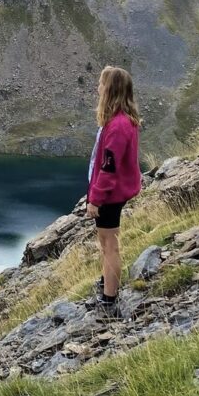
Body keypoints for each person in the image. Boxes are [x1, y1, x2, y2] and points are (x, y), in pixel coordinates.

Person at [84, 65, 142, 318]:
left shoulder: (118, 126)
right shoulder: (120, 120)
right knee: (107, 243)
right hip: (112, 194)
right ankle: (107, 285)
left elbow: (108, 169)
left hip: (110, 196)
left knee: (110, 246)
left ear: (111, 89)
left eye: (101, 84)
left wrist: (95, 199)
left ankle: (109, 300)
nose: (98, 88)